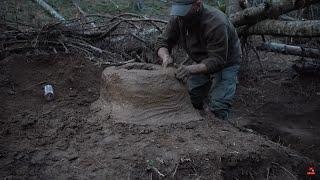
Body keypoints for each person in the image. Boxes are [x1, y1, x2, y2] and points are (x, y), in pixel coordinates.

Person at [155, 0, 241, 120]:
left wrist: (189, 69)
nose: (180, 15)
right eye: (178, 10)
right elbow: (162, 42)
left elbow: (217, 61)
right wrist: (165, 56)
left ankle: (220, 130)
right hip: (201, 60)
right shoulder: (178, 18)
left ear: (198, 4)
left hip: (226, 62)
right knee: (190, 97)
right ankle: (203, 107)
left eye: (184, 10)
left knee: (218, 108)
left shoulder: (216, 22)